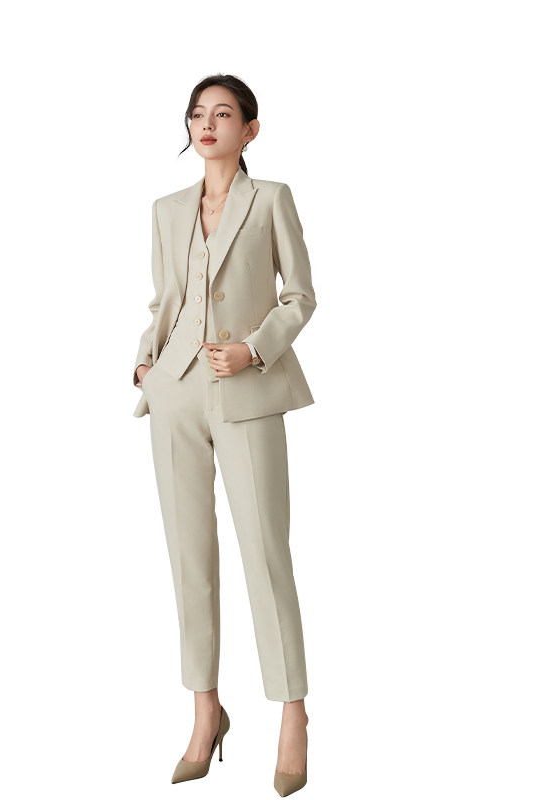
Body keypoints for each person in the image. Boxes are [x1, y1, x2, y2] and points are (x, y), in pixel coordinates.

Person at [132, 73, 316, 797]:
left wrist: (254, 349)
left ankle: (293, 712)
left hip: (246, 389)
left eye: (224, 113)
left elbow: (300, 296)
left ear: (250, 129)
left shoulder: (271, 199)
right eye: (197, 114)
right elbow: (165, 301)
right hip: (174, 393)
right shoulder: (166, 209)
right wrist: (146, 362)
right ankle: (205, 712)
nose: (207, 124)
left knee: (265, 553)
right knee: (190, 559)